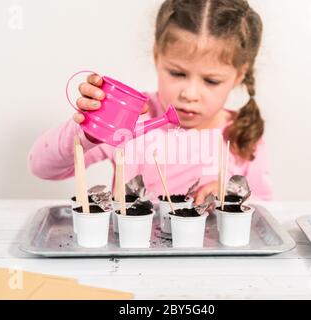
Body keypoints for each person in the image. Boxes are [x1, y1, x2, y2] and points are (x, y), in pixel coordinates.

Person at [28, 0, 273, 204]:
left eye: (211, 81)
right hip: (130, 259)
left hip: (210, 260)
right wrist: (89, 134)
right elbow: (41, 167)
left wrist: (230, 197)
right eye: (177, 74)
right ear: (157, 56)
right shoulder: (132, 120)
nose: (190, 93)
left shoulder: (243, 132)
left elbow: (264, 208)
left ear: (239, 75)